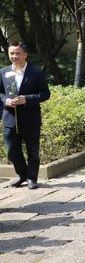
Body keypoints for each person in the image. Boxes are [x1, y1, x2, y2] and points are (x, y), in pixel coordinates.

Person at [0, 42, 50, 190]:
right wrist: (5, 100)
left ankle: (31, 178)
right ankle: (22, 174)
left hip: (30, 119)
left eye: (18, 53)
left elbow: (45, 94)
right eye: (12, 53)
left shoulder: (36, 73)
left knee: (32, 151)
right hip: (9, 118)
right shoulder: (3, 72)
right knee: (11, 151)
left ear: (25, 54)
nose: (14, 56)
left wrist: (27, 99)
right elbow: (0, 93)